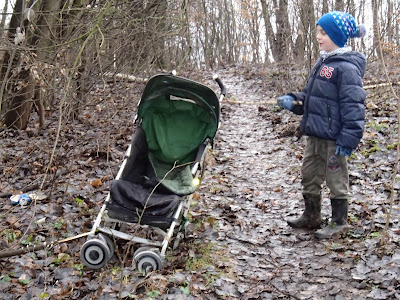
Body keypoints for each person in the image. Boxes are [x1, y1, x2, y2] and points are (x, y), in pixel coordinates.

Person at [277, 11, 367, 239]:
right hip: (315, 134)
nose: (318, 36)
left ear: (337, 36)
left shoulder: (346, 68)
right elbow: (309, 97)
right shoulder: (322, 61)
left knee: (336, 179)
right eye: (318, 31)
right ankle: (312, 215)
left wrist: (348, 139)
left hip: (334, 139)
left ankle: (339, 222)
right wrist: (293, 101)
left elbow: (354, 107)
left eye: (324, 33)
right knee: (309, 174)